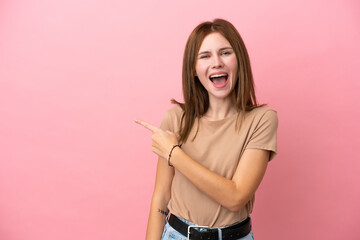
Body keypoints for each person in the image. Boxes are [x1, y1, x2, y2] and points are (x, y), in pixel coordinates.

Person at [136, 18, 278, 240]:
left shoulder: (261, 120)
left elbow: (236, 197)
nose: (217, 63)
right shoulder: (176, 118)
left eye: (225, 53)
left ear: (239, 61)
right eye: (205, 56)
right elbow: (161, 198)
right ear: (193, 69)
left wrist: (173, 153)